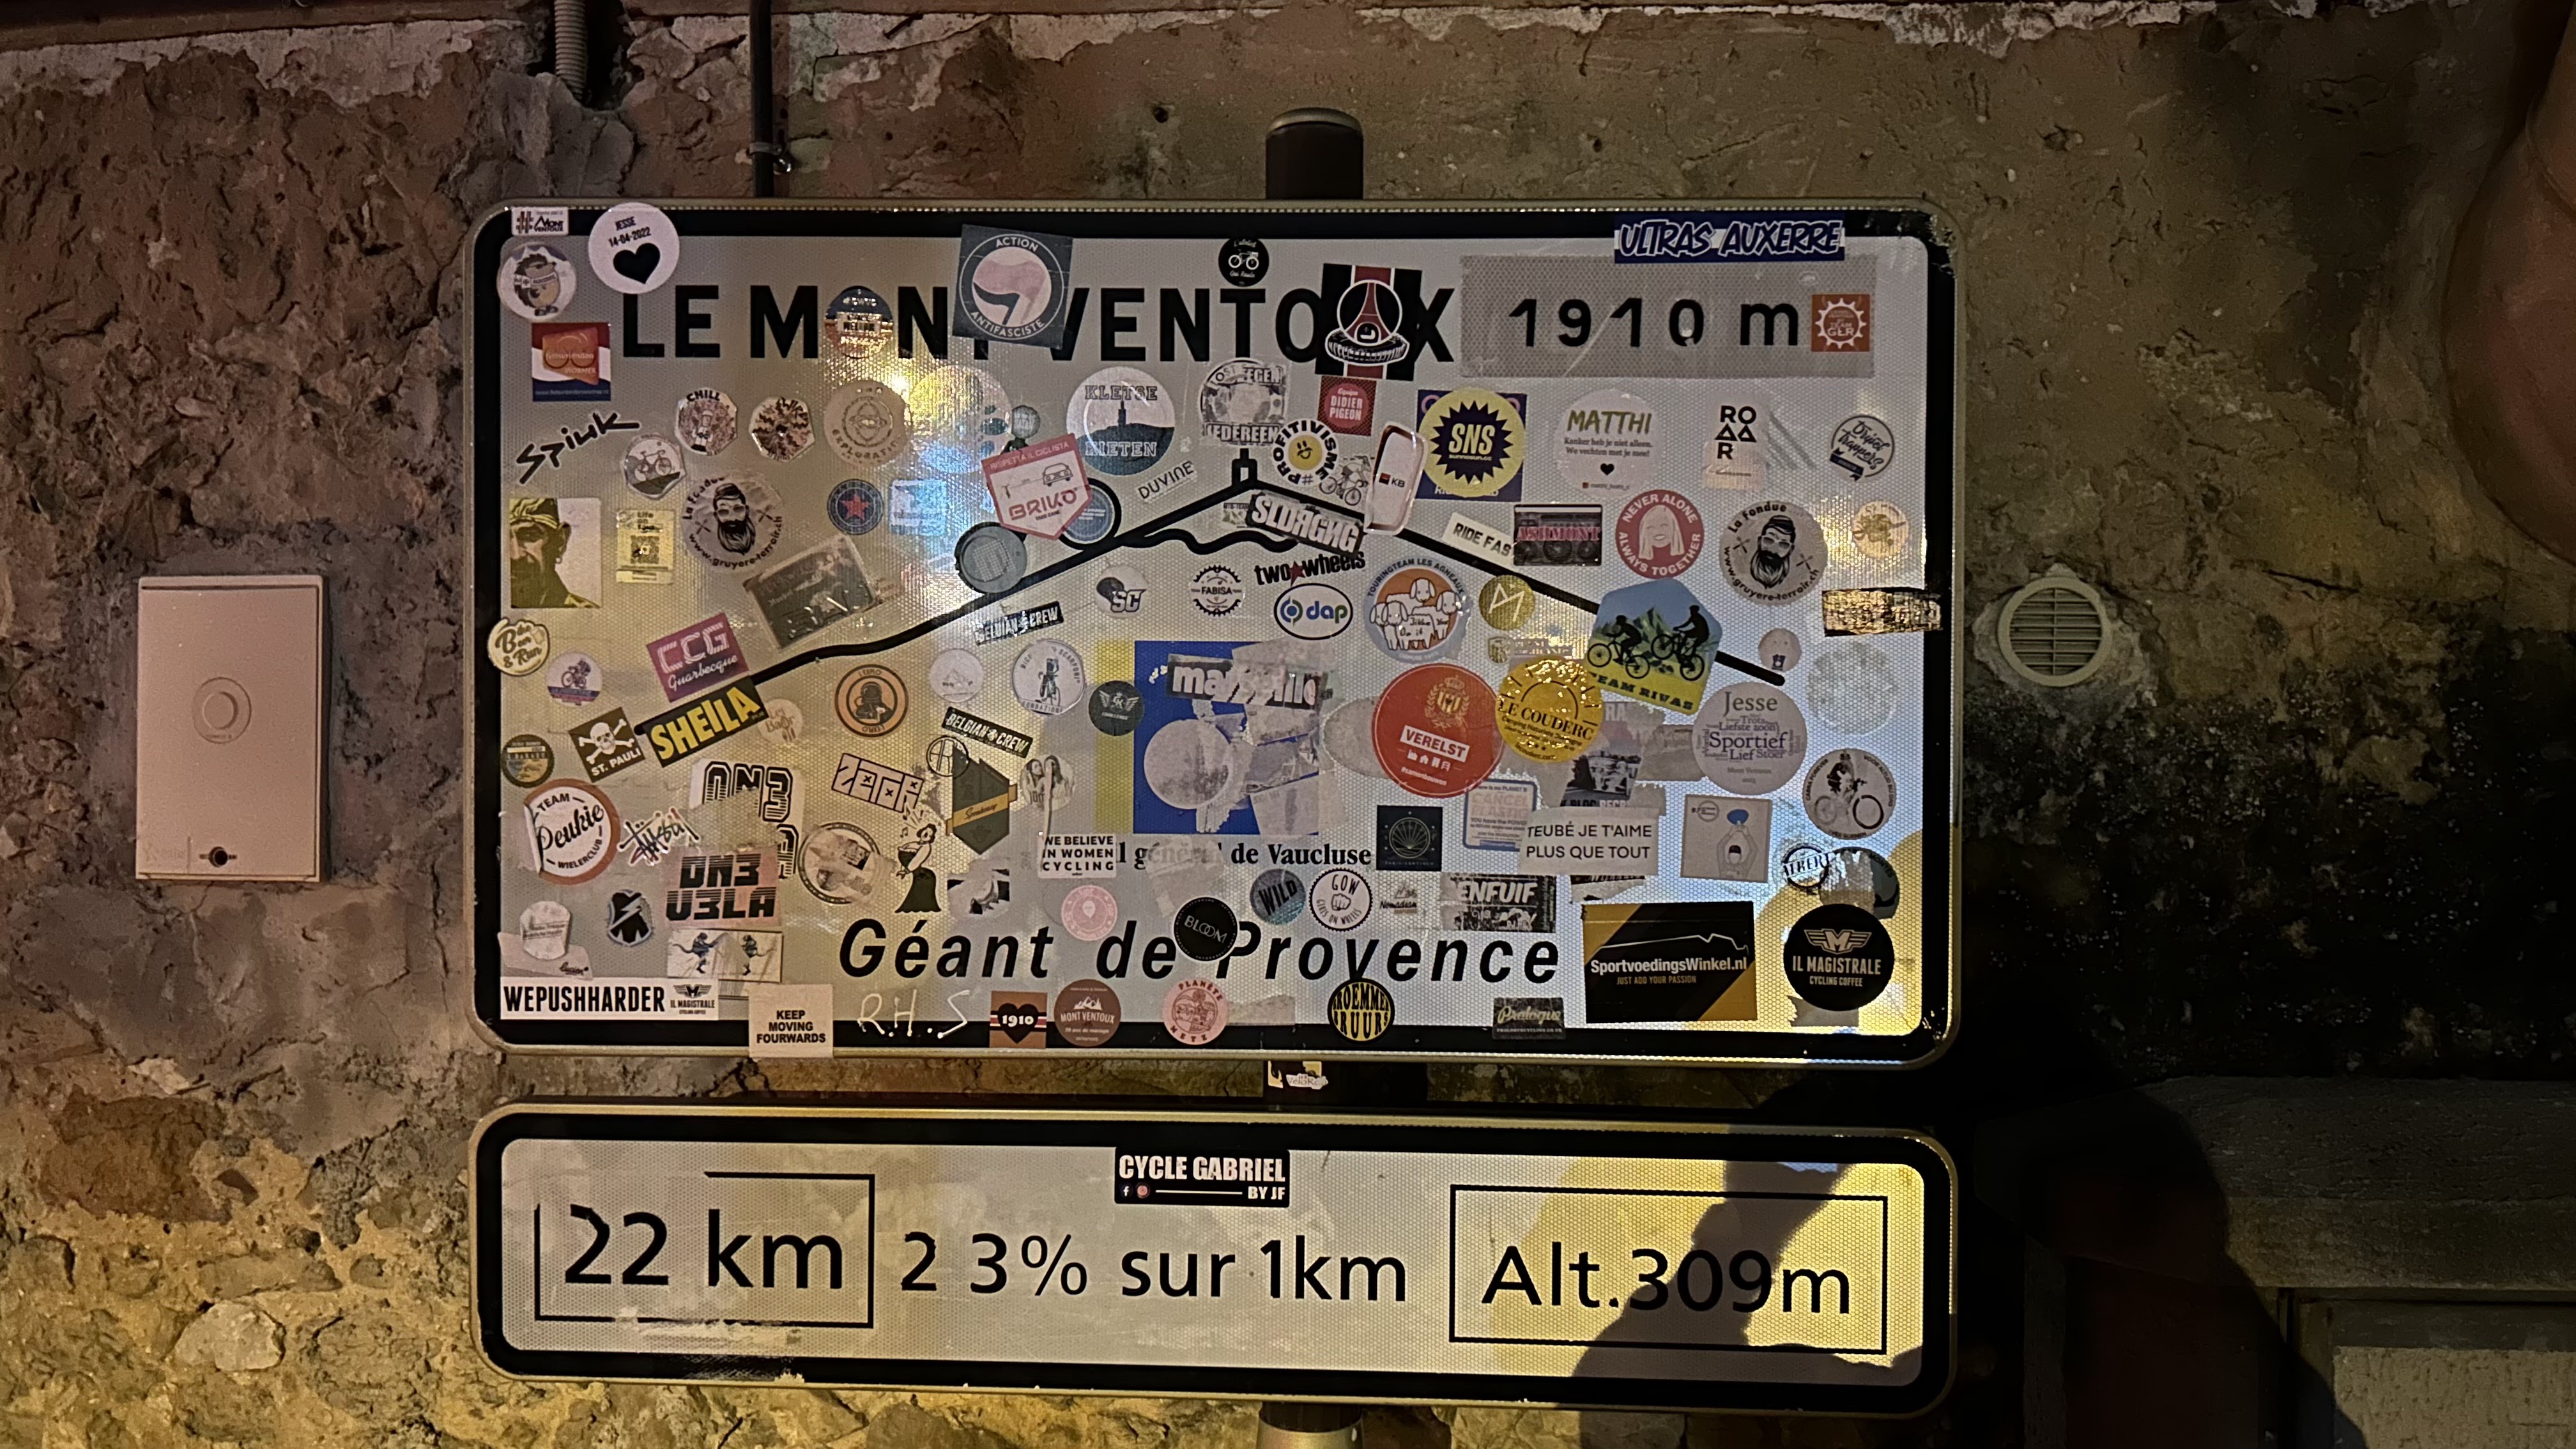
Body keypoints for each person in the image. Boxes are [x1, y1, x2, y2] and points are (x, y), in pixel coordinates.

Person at [505, 498, 595, 608]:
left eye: (529, 536)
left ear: (560, 541)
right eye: (500, 540)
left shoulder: (589, 615)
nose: (515, 555)